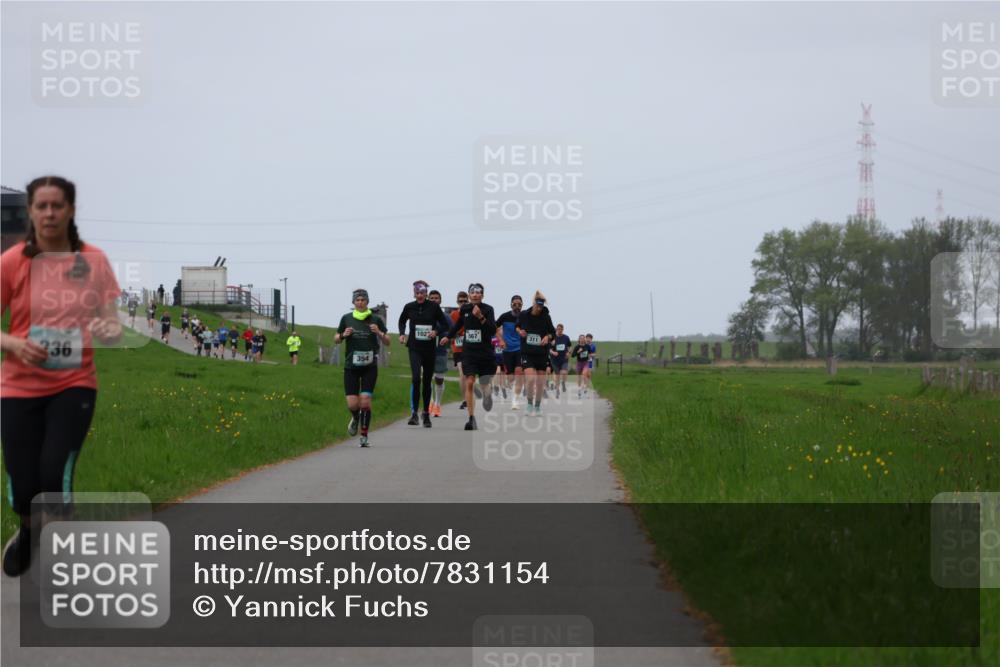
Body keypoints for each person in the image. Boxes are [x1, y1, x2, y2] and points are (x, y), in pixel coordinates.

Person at [0, 176, 123, 576]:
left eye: (58, 205)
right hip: (18, 385)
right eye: (42, 206)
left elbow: (111, 324)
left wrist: (109, 330)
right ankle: (28, 530)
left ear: (70, 210)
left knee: (54, 470)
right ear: (31, 212)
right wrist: (15, 345)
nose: (50, 213)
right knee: (23, 482)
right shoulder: (13, 262)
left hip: (74, 384)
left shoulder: (93, 261)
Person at [335, 289, 390, 447]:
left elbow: (387, 342)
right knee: (353, 404)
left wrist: (379, 332)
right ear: (353, 302)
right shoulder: (346, 318)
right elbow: (336, 339)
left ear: (367, 302)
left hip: (369, 366)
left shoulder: (375, 319)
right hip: (351, 366)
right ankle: (356, 417)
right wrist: (343, 335)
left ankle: (364, 436)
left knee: (365, 402)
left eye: (363, 300)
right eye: (357, 300)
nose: (360, 302)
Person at [398, 280, 451, 428]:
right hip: (414, 347)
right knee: (416, 378)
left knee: (427, 382)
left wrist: (436, 332)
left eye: (422, 293)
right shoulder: (409, 307)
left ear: (426, 293)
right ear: (413, 293)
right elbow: (402, 321)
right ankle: (414, 413)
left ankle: (426, 414)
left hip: (429, 348)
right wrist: (402, 334)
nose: (420, 295)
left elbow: (445, 325)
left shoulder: (433, 307)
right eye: (417, 293)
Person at [447, 283, 496, 431]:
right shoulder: (465, 309)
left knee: (484, 384)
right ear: (469, 295)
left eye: (478, 292)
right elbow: (458, 326)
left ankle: (487, 396)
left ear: (482, 295)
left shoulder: (488, 309)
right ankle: (471, 418)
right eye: (472, 292)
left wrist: (480, 316)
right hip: (468, 352)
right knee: (469, 382)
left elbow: (492, 330)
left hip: (485, 352)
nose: (475, 295)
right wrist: (448, 336)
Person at [516, 291, 556, 415]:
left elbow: (552, 333)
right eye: (537, 306)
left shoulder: (546, 316)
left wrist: (547, 338)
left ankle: (537, 406)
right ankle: (529, 403)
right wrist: (520, 331)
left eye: (541, 306)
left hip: (541, 354)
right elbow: (517, 326)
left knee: (540, 383)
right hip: (527, 353)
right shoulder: (524, 315)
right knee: (530, 379)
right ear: (533, 304)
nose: (539, 308)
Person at [496, 295, 526, 410]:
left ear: (522, 305)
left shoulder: (525, 317)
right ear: (511, 305)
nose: (517, 306)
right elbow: (494, 328)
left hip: (520, 348)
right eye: (514, 304)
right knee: (511, 378)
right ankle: (515, 391)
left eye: (519, 304)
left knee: (519, 372)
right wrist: (501, 340)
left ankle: (515, 400)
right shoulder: (504, 316)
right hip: (507, 349)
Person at [427, 290, 449, 417]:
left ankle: (438, 403)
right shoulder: (424, 315)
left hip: (440, 351)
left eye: (436, 298)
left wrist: (444, 336)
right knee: (427, 377)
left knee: (439, 379)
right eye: (432, 298)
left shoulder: (445, 317)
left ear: (440, 300)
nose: (434, 300)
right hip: (426, 351)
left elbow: (451, 330)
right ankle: (430, 403)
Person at [449, 291, 469, 409]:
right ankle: (464, 399)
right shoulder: (454, 314)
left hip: (470, 346)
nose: (462, 303)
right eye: (460, 301)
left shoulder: (472, 312)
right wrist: (454, 335)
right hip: (458, 347)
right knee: (462, 373)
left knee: (468, 374)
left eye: (464, 301)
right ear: (457, 302)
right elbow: (450, 329)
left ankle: (468, 396)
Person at [549, 323, 572, 397]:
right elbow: (549, 349)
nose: (559, 330)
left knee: (564, 372)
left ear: (563, 329)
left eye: (560, 329)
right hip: (555, 360)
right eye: (558, 329)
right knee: (557, 375)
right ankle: (557, 390)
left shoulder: (566, 337)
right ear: (556, 330)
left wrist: (569, 352)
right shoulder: (553, 338)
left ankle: (563, 382)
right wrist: (553, 352)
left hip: (564, 359)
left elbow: (569, 347)